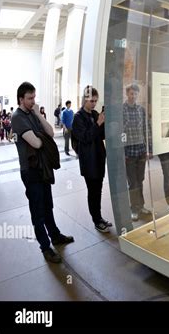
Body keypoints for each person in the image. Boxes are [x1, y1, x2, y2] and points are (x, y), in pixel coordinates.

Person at [11, 82, 74, 263]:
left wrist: (38, 114)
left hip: (42, 168)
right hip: (30, 171)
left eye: (34, 97)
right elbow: (37, 143)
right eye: (29, 98)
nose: (33, 101)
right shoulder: (17, 117)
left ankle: (55, 235)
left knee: (48, 204)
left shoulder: (33, 113)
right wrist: (40, 135)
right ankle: (45, 247)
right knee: (37, 209)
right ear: (21, 99)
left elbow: (51, 133)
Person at [72, 86, 113, 233]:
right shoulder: (78, 117)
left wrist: (105, 122)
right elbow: (85, 137)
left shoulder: (95, 113)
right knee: (93, 191)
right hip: (89, 161)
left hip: (99, 158)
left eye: (95, 101)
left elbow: (100, 135)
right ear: (84, 99)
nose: (94, 104)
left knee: (99, 190)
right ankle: (96, 220)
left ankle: (99, 217)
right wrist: (98, 123)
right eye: (91, 101)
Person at [123, 84, 152, 221]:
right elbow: (120, 133)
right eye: (131, 93)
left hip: (141, 151)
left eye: (135, 94)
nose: (133, 96)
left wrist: (149, 149)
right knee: (133, 182)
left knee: (140, 180)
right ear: (127, 94)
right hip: (129, 153)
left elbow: (147, 130)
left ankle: (141, 206)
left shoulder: (141, 110)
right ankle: (133, 209)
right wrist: (122, 152)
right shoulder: (122, 110)